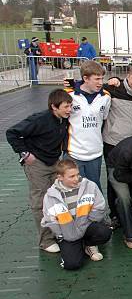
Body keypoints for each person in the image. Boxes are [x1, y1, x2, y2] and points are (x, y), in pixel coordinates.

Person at [6, 89, 72, 253]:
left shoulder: (63, 119)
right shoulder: (40, 119)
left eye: (70, 106)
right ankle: (46, 241)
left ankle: (57, 232)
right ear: (54, 107)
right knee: (40, 201)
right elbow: (12, 133)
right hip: (38, 164)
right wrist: (25, 153)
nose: (69, 110)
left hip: (53, 162)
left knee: (56, 198)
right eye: (66, 106)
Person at [41, 159, 111, 270]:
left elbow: (99, 207)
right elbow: (50, 220)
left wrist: (84, 225)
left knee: (104, 232)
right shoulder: (50, 196)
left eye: (77, 175)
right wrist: (63, 234)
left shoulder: (90, 186)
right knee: (72, 265)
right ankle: (76, 246)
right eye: (71, 176)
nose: (76, 179)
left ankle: (89, 244)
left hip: (86, 226)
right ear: (60, 177)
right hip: (68, 234)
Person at [102, 64, 132, 228]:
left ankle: (127, 215)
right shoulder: (114, 89)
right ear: (127, 77)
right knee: (113, 181)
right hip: (113, 142)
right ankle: (115, 215)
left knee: (130, 180)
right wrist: (72, 84)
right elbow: (91, 85)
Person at [65, 61, 111, 191]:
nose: (100, 82)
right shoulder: (70, 95)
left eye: (102, 78)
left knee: (93, 189)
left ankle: (97, 212)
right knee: (75, 189)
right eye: (97, 79)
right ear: (85, 78)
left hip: (95, 153)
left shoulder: (106, 97)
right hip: (74, 153)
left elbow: (104, 119)